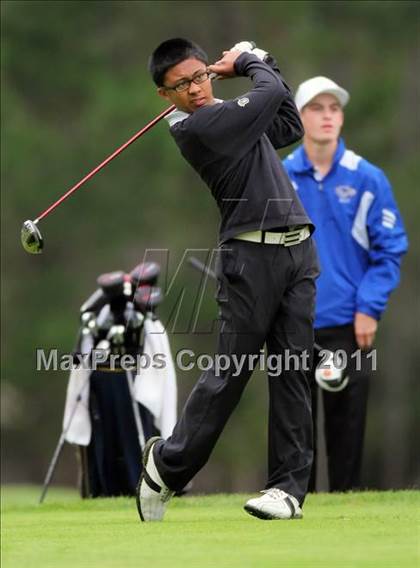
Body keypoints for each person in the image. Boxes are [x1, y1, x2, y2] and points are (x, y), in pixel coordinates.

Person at [136, 38, 319, 522]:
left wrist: (263, 62)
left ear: (207, 74)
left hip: (298, 251)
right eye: (181, 85)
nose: (195, 89)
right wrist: (251, 61)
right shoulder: (200, 128)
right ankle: (167, 465)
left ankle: (287, 491)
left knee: (293, 373)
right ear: (165, 96)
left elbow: (288, 119)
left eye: (199, 76)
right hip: (249, 257)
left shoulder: (233, 114)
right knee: (230, 375)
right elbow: (267, 92)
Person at [283, 76, 408, 491]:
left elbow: (389, 250)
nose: (327, 116)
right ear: (300, 117)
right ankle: (293, 505)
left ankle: (345, 515)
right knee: (295, 434)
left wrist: (369, 308)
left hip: (347, 326)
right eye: (317, 108)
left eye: (334, 109)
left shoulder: (367, 177)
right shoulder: (280, 177)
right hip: (294, 324)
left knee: (347, 435)